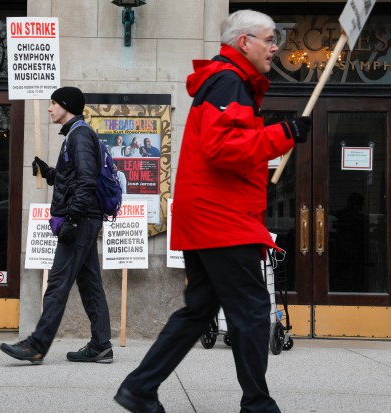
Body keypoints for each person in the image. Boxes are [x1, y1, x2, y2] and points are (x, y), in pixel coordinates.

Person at [114, 9, 311, 413]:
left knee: (199, 310)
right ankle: (257, 405)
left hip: (209, 217)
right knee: (254, 312)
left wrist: (275, 136)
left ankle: (139, 388)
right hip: (220, 220)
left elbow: (226, 147)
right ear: (244, 42)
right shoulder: (227, 82)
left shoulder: (225, 82)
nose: (275, 47)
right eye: (269, 39)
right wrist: (284, 133)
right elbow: (223, 151)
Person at [0, 86, 113, 365]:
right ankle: (101, 345)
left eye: (53, 103)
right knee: (90, 284)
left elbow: (87, 181)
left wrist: (72, 220)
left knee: (58, 282)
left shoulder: (80, 135)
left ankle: (36, 346)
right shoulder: (76, 135)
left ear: (66, 106)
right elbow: (73, 179)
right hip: (85, 218)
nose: (49, 108)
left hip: (81, 220)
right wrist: (49, 172)